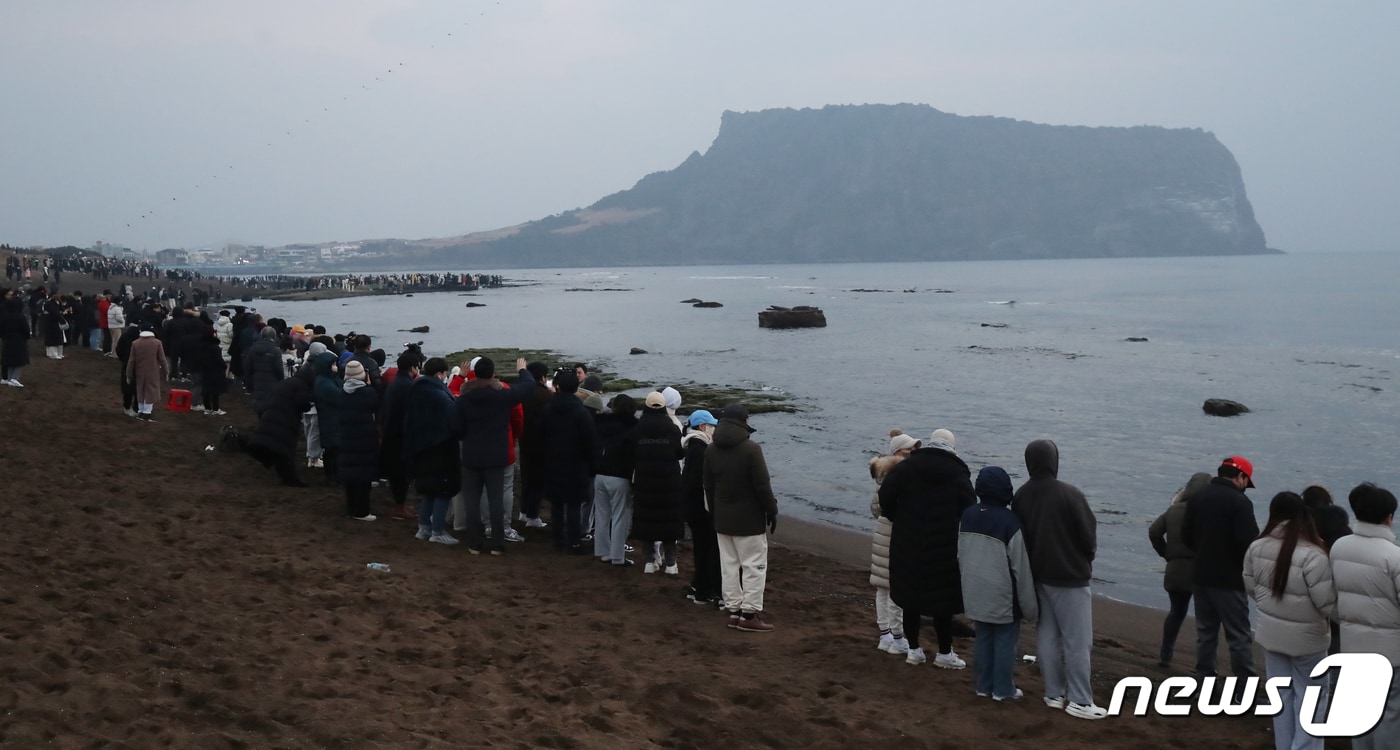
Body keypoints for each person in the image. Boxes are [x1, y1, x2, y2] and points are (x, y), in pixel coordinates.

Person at [1013, 438, 1105, 719]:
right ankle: (1079, 699)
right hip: (1070, 578)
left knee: (1047, 636)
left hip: (1038, 576)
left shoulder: (1021, 496)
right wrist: (1085, 560)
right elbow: (1088, 536)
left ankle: (1053, 693)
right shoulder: (1070, 493)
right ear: (1054, 461)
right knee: (1078, 641)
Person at [1242, 491, 1336, 750]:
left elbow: (1251, 586)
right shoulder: (1313, 554)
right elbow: (1326, 602)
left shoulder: (1256, 546)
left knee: (1282, 696)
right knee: (1312, 698)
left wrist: (1272, 609)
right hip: (1308, 640)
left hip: (1270, 634)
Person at [878, 429, 974, 667]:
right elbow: (970, 507)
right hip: (943, 545)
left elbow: (885, 495)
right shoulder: (958, 473)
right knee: (943, 601)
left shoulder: (907, 467)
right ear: (951, 447)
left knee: (910, 596)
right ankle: (944, 653)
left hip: (908, 540)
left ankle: (913, 650)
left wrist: (897, 517)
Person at [1330, 482, 1400, 750]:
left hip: (1352, 647)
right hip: (1391, 653)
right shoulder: (1394, 557)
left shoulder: (1339, 547)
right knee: (1391, 715)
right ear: (1389, 517)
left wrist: (1345, 622)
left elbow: (1332, 597)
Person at [960, 465, 1038, 701]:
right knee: (1005, 641)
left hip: (974, 591)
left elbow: (960, 554)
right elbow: (1021, 568)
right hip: (1002, 595)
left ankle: (983, 686)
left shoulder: (968, 515)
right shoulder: (1010, 521)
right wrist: (1031, 609)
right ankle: (1003, 689)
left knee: (983, 638)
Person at [1181, 456, 1260, 682]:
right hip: (1229, 579)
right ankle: (1245, 689)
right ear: (1240, 476)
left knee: (1206, 633)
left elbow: (1186, 535)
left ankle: (1204, 682)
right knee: (1238, 636)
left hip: (1201, 574)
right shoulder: (1240, 503)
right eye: (1247, 481)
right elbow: (1248, 543)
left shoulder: (1197, 497)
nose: (1247, 487)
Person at [705, 403, 778, 632]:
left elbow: (708, 486)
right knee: (754, 566)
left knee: (729, 566)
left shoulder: (711, 449)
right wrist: (772, 510)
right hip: (748, 520)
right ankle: (749, 615)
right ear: (744, 421)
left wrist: (715, 513)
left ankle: (734, 610)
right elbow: (762, 486)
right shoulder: (751, 449)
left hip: (722, 519)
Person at [455, 356, 535, 554]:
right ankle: (498, 544)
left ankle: (475, 543)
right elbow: (528, 387)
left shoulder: (464, 399)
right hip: (496, 456)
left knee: (472, 501)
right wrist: (522, 370)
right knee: (496, 499)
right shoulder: (502, 396)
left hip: (472, 455)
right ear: (492, 374)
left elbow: (455, 427)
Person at [1148, 472, 1212, 667]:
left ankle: (1166, 653)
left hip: (1175, 568)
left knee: (1176, 612)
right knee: (1206, 619)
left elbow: (1154, 531)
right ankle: (1205, 663)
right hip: (1201, 570)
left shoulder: (1173, 510)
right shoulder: (1207, 512)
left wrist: (1166, 553)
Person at [869, 429, 919, 655]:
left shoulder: (882, 474)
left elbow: (875, 508)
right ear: (898, 451)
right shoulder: (903, 475)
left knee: (882, 587)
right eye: (909, 448)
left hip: (882, 531)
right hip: (895, 534)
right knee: (895, 588)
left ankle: (885, 635)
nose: (913, 452)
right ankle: (897, 637)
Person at [404, 357, 462, 545]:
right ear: (440, 374)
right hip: (441, 447)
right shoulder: (438, 394)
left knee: (428, 488)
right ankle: (437, 530)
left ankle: (424, 527)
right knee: (443, 489)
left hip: (421, 446)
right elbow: (453, 419)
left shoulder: (416, 389)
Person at [539, 369, 597, 553]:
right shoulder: (581, 412)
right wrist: (592, 465)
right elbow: (590, 441)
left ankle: (558, 539)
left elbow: (540, 436)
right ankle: (574, 541)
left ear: (557, 386)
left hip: (552, 462)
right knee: (573, 504)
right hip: (576, 464)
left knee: (556, 503)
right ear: (576, 388)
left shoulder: (547, 409)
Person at [631, 392, 685, 574]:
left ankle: (649, 561)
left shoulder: (638, 428)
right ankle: (671, 563)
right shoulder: (672, 429)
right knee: (669, 520)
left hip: (644, 480)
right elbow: (679, 453)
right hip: (669, 481)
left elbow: (632, 453)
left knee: (647, 519)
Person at [592, 393, 638, 566]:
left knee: (602, 514)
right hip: (619, 476)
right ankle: (618, 556)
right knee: (620, 516)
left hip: (600, 474)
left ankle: (603, 552)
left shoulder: (601, 423)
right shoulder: (632, 427)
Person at [681, 410, 721, 604]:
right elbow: (701, 483)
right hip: (700, 509)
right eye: (712, 425)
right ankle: (703, 591)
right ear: (703, 427)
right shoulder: (701, 448)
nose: (714, 429)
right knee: (706, 549)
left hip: (692, 507)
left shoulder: (693, 446)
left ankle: (698, 585)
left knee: (702, 548)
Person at [338, 359, 380, 520]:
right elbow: (375, 404)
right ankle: (362, 511)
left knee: (350, 475)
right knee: (364, 476)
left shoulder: (341, 393)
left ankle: (350, 508)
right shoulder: (368, 393)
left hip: (346, 437)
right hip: (365, 439)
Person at [380, 352, 420, 521]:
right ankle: (399, 506)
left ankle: (400, 504)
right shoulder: (408, 386)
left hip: (390, 433)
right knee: (402, 474)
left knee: (397, 473)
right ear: (413, 367)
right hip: (400, 436)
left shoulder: (395, 383)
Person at [516, 361, 553, 529]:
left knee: (526, 478)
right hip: (541, 442)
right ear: (543, 377)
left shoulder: (521, 392)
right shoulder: (545, 395)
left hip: (524, 439)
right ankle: (532, 515)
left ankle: (523, 512)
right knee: (538, 481)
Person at [125, 328, 168, 422]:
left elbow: (131, 361)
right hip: (153, 372)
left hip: (139, 371)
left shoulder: (135, 343)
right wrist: (166, 372)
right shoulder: (157, 343)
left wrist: (128, 374)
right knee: (151, 391)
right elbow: (162, 359)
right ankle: (147, 413)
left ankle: (140, 411)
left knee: (140, 391)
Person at [0, 293, 30, 387]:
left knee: (9, 360)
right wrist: (26, 337)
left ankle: (8, 378)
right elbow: (26, 330)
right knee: (20, 360)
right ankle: (14, 378)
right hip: (19, 341)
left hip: (7, 341)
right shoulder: (21, 317)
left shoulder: (3, 317)